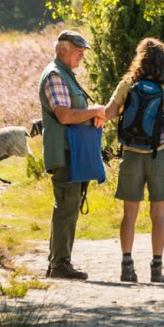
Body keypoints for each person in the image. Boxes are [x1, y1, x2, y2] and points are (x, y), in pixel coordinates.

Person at [103, 38, 164, 284]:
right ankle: (157, 268)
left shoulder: (128, 84)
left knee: (129, 214)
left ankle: (126, 266)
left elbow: (109, 113)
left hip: (130, 155)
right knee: (158, 214)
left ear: (139, 59)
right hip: (158, 155)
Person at [38, 30, 107, 280]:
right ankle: (59, 264)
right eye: (78, 48)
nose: (82, 53)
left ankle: (58, 262)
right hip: (66, 152)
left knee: (68, 207)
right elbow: (64, 115)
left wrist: (93, 115)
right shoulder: (56, 75)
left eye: (83, 49)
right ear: (63, 48)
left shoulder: (66, 75)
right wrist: (95, 111)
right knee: (66, 207)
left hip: (73, 151)